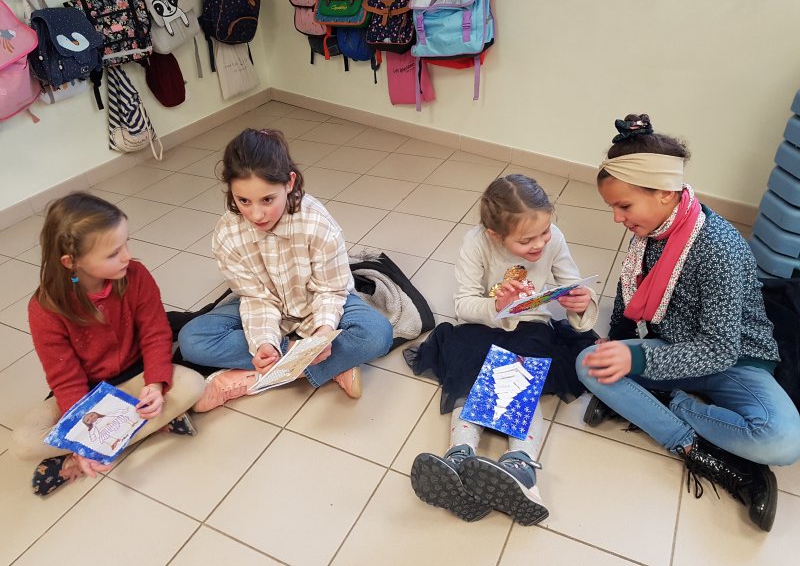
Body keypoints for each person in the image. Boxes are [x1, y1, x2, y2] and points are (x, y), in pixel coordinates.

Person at [576, 114, 800, 532]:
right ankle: (698, 451)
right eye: (613, 207)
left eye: (624, 206)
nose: (617, 218)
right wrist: (617, 342)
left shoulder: (719, 247)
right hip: (673, 348)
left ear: (664, 192)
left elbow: (720, 350)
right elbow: (630, 291)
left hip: (734, 362)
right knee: (588, 362)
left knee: (783, 440)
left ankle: (664, 403)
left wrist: (634, 364)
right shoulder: (650, 231)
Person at [408, 174, 598, 525]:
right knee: (471, 370)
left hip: (531, 324)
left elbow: (572, 284)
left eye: (545, 232)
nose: (540, 243)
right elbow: (464, 303)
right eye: (526, 240)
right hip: (483, 322)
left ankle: (521, 467)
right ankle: (459, 456)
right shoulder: (476, 244)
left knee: (521, 375)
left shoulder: (553, 238)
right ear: (495, 234)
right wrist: (496, 307)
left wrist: (580, 301)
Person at [178, 128, 393, 411]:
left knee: (377, 333)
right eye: (243, 201)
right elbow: (256, 298)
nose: (256, 214)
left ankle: (252, 379)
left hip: (316, 302)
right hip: (267, 307)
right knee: (191, 340)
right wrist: (263, 344)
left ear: (289, 183)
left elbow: (331, 290)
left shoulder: (317, 223)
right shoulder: (227, 234)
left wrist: (324, 332)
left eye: (267, 199)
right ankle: (330, 365)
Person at [12, 193, 206, 496]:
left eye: (126, 243)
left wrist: (155, 384)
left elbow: (156, 332)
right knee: (22, 443)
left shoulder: (136, 275)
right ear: (71, 262)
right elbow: (65, 378)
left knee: (192, 384)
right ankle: (145, 428)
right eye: (113, 253)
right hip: (87, 393)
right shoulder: (45, 309)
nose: (127, 256)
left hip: (136, 373)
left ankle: (94, 450)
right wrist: (84, 436)